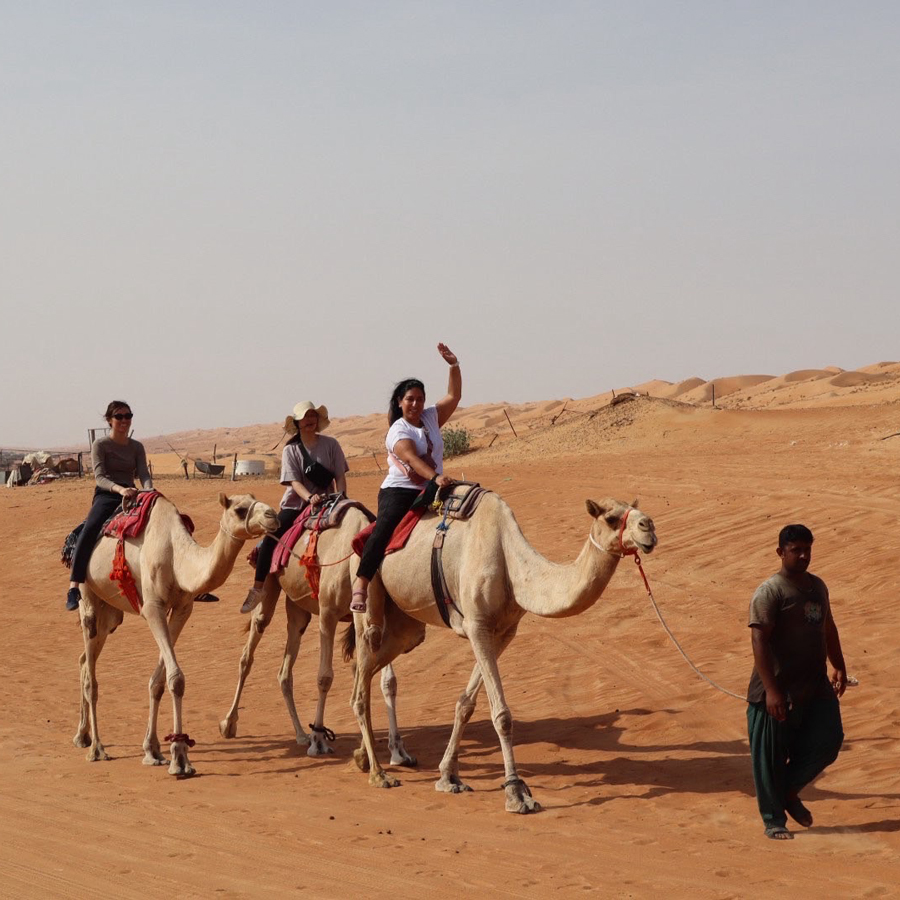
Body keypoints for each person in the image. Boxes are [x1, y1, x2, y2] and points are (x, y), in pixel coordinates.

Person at [746, 523, 847, 840]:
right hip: (776, 690)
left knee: (829, 740)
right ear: (780, 552)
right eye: (796, 550)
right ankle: (773, 820)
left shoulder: (817, 586)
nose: (804, 556)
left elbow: (828, 627)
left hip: (814, 685)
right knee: (770, 757)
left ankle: (789, 790)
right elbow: (759, 641)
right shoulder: (769, 592)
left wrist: (839, 666)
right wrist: (773, 692)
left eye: (808, 549)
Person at [350, 343, 461, 614]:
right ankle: (361, 583)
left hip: (432, 485)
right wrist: (436, 477)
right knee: (383, 528)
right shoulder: (397, 431)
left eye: (420, 399)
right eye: (410, 399)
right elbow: (411, 459)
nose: (415, 404)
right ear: (399, 402)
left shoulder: (430, 417)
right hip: (400, 491)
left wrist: (454, 366)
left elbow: (453, 396)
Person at [241, 401, 348, 613]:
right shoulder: (291, 449)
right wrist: (310, 498)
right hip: (297, 503)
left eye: (312, 416)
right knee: (271, 538)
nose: (309, 420)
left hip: (330, 501)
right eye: (305, 417)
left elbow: (340, 476)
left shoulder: (332, 444)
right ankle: (258, 588)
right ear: (297, 423)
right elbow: (294, 482)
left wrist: (341, 497)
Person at [66, 401, 153, 610]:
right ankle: (74, 587)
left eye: (128, 416)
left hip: (133, 494)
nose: (124, 421)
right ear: (110, 420)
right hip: (108, 495)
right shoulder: (101, 445)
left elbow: (143, 474)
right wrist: (120, 490)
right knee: (90, 530)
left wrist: (150, 491)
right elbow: (100, 478)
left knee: (167, 520)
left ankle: (187, 584)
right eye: (119, 417)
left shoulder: (137, 447)